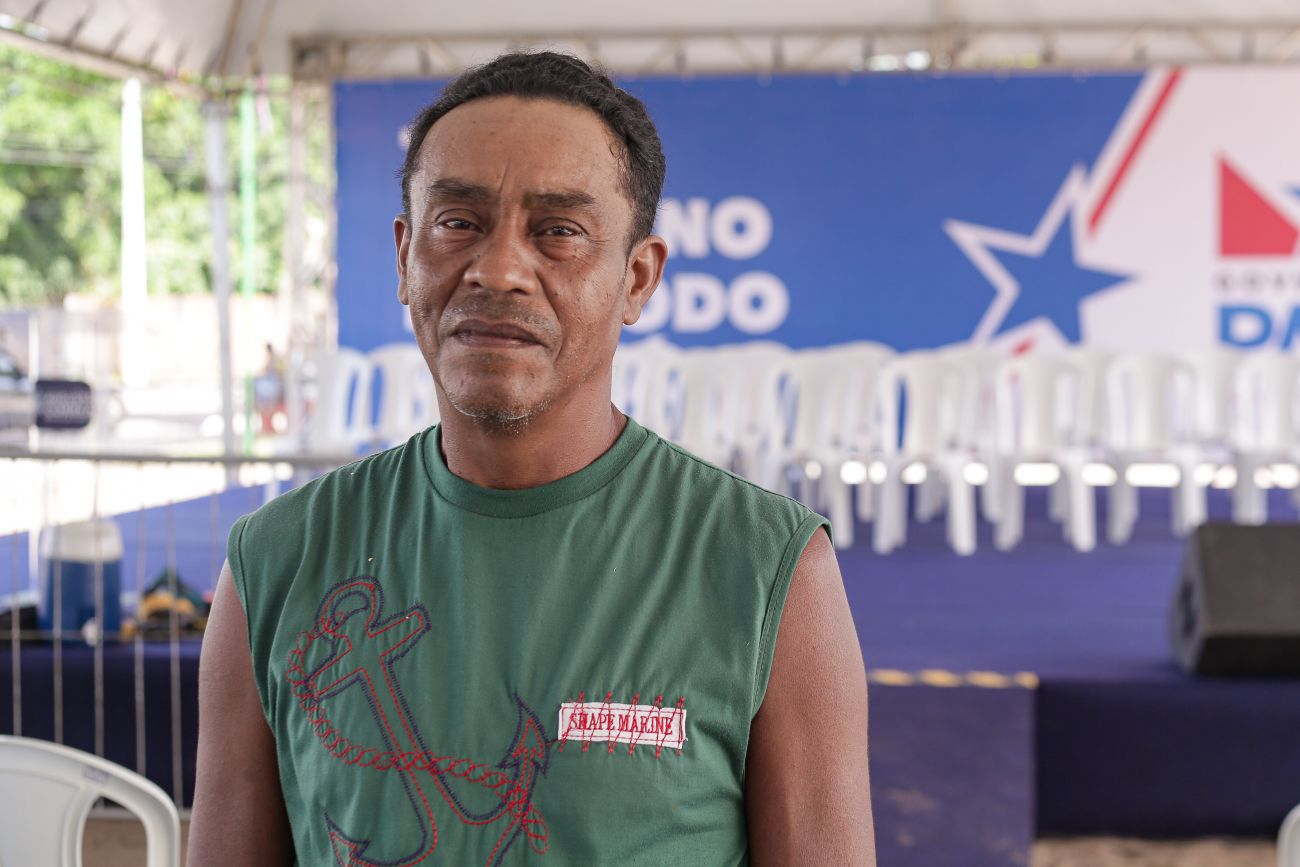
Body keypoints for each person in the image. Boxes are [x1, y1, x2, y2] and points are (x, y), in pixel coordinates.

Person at [189, 51, 874, 866]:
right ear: (405, 258)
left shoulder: (767, 571)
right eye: (458, 222)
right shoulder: (275, 562)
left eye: (558, 232)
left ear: (637, 278)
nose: (499, 269)